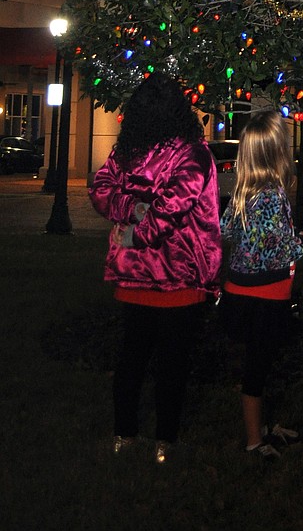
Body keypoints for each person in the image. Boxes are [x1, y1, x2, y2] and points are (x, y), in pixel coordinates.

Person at [89, 73, 222, 462]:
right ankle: (164, 440)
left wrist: (130, 220)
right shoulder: (193, 154)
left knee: (132, 357)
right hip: (179, 275)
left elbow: (104, 191)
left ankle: (124, 434)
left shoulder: (128, 150)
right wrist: (137, 218)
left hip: (137, 272)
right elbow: (170, 210)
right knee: (170, 363)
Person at [220, 110, 303, 460]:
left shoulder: (243, 191)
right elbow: (275, 251)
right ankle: (253, 441)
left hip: (239, 294)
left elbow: (226, 230)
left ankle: (262, 425)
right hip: (265, 298)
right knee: (257, 369)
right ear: (277, 151)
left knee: (260, 363)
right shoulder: (272, 196)